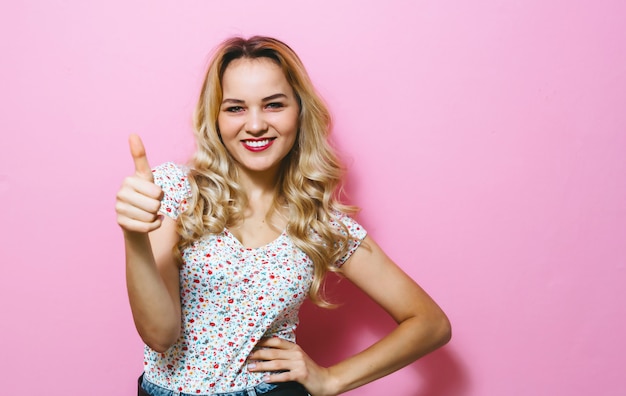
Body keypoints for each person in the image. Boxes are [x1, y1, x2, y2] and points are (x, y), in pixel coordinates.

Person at [115, 35, 451, 396]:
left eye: (274, 105)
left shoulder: (321, 225)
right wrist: (134, 236)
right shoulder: (175, 191)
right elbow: (160, 336)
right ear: (215, 117)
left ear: (299, 111)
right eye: (235, 108)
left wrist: (332, 378)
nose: (256, 125)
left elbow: (431, 324)